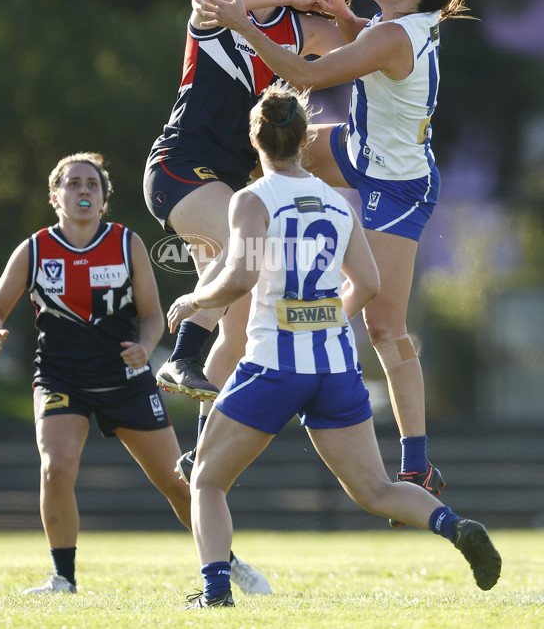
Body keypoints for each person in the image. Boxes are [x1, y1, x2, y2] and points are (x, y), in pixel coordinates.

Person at [166, 86, 501, 608]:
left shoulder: (250, 199)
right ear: (305, 139)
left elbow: (239, 276)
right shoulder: (335, 201)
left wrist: (193, 298)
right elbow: (365, 284)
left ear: (255, 140)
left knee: (206, 480)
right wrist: (322, 320)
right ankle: (456, 528)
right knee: (374, 491)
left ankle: (214, 593)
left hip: (273, 365)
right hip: (335, 366)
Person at [194, 0, 491, 521]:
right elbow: (369, 40)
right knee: (266, 152)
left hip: (399, 187)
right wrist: (343, 15)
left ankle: (417, 462)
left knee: (384, 326)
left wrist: (237, 21)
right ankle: (228, 250)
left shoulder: (393, 34)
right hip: (360, 149)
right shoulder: (398, 21)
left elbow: (303, 73)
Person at [0, 151, 270, 595]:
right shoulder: (36, 248)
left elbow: (152, 316)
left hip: (125, 381)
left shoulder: (125, 243)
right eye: (73, 183)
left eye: (92, 185)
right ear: (56, 196)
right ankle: (64, 578)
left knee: (177, 482)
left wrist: (145, 347)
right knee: (56, 468)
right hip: (61, 379)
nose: (83, 191)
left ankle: (225, 563)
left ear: (104, 199)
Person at [144, 0, 352, 481]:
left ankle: (200, 451)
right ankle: (182, 352)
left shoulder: (301, 26)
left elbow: (360, 48)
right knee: (247, 256)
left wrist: (339, 8)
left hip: (230, 177)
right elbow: (224, 1)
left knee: (239, 321)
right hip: (178, 164)